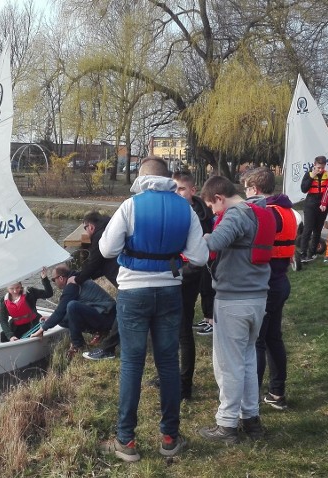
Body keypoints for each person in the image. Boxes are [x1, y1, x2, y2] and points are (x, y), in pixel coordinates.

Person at [98, 157, 208, 462]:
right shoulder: (185, 208)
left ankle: (126, 441)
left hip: (133, 293)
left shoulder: (130, 206)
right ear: (167, 179)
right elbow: (199, 256)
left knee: (132, 364)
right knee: (168, 363)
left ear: (141, 178)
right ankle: (170, 438)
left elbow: (106, 249)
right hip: (170, 292)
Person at [197, 175, 271, 445]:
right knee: (248, 361)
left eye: (212, 207)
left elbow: (213, 245)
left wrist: (205, 237)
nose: (214, 213)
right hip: (257, 298)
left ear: (219, 198)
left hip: (233, 300)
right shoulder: (259, 210)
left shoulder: (234, 215)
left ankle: (226, 424)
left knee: (228, 365)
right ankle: (251, 419)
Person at [243, 167, 296, 411]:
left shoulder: (266, 213)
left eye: (246, 188)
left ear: (254, 189)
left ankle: (251, 399)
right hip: (281, 281)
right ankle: (277, 392)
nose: (245, 193)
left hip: (265, 284)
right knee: (274, 338)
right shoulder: (288, 211)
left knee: (258, 342)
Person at [171, 170, 215, 400]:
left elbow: (199, 257)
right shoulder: (181, 210)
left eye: (180, 188)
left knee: (183, 331)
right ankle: (171, 375)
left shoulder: (199, 216)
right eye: (174, 188)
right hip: (177, 273)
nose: (177, 193)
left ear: (192, 190)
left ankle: (185, 385)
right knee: (170, 330)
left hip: (187, 277)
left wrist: (175, 273)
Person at [32, 264, 116, 359]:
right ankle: (99, 332)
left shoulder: (72, 285)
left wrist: (42, 329)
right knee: (62, 318)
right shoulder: (75, 278)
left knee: (72, 306)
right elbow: (61, 311)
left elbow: (61, 311)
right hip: (103, 314)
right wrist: (50, 319)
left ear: (61, 278)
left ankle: (78, 345)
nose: (54, 282)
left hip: (108, 317)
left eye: (53, 279)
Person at [73, 210, 121, 361]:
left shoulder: (100, 237)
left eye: (85, 228)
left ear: (90, 227)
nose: (85, 232)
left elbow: (93, 263)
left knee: (123, 313)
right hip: (129, 276)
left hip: (125, 280)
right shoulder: (109, 230)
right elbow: (100, 265)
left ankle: (108, 349)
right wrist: (87, 276)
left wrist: (77, 279)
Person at [0, 267, 53, 342]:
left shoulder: (30, 292)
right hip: (16, 327)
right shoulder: (4, 301)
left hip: (33, 324)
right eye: (11, 288)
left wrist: (44, 278)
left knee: (31, 335)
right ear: (7, 288)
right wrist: (10, 336)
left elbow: (49, 294)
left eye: (17, 287)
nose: (15, 291)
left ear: (21, 285)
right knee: (3, 336)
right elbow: (3, 320)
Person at [298, 156, 328, 262]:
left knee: (317, 231)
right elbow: (304, 189)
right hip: (310, 204)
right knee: (308, 229)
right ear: (314, 164)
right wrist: (312, 176)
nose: (320, 170)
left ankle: (312, 253)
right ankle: (302, 253)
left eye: (322, 167)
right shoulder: (308, 174)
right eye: (319, 167)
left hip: (323, 206)